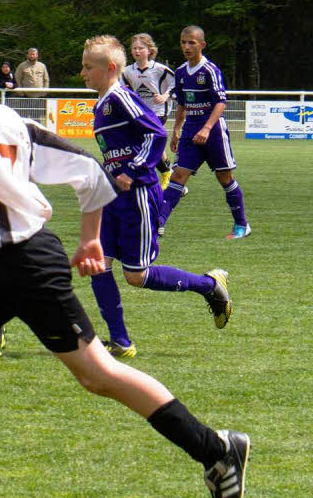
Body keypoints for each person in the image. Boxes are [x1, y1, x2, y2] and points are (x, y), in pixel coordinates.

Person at [0, 26, 249, 498]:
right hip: (4, 259)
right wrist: (90, 238)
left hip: (25, 265)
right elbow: (86, 170)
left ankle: (217, 449)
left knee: (98, 375)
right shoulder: (2, 114)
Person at [82, 35, 232, 359]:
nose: (82, 73)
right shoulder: (102, 102)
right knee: (99, 265)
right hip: (113, 197)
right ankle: (120, 341)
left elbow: (156, 132)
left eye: (87, 67)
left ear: (109, 68)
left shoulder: (121, 97)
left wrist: (131, 170)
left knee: (136, 276)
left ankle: (209, 286)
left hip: (137, 195)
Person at [160, 26, 251, 239]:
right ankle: (157, 224)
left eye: (191, 42)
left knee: (224, 176)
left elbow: (221, 103)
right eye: (183, 42)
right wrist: (176, 130)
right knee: (178, 175)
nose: (186, 46)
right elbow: (181, 104)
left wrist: (207, 128)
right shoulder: (181, 72)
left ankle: (241, 225)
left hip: (214, 131)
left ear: (202, 44)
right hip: (191, 131)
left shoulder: (210, 70)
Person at [121, 33, 175, 189]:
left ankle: (162, 173)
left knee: (149, 141)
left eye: (141, 48)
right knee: (149, 143)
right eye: (134, 48)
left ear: (149, 50)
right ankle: (166, 171)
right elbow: (123, 89)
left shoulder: (159, 69)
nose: (137, 51)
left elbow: (176, 83)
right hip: (140, 113)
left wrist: (165, 96)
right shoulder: (127, 71)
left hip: (158, 111)